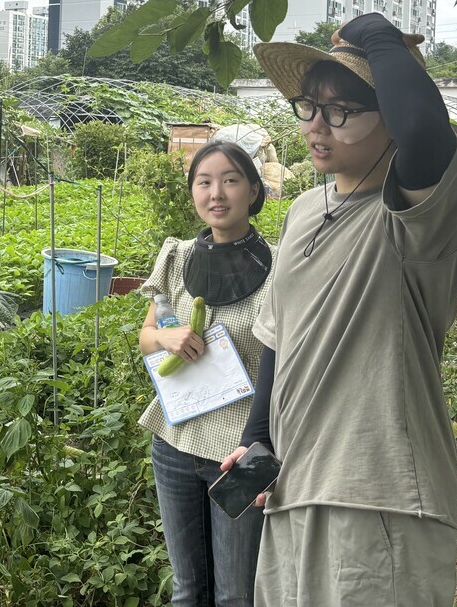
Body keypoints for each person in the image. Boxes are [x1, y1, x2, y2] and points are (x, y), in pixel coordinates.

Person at [222, 13, 457, 607]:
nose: (317, 125)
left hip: (378, 494)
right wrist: (258, 437)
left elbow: (422, 129)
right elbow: (277, 336)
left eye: (341, 111)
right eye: (310, 105)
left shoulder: (417, 213)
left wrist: (376, 35)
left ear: (388, 117)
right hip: (292, 488)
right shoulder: (304, 211)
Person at [138, 140, 275, 607]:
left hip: (243, 450)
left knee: (238, 595)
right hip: (174, 441)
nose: (216, 193)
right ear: (193, 191)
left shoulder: (280, 268)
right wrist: (165, 339)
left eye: (231, 180)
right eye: (204, 182)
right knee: (187, 591)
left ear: (253, 190)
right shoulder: (177, 256)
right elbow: (146, 337)